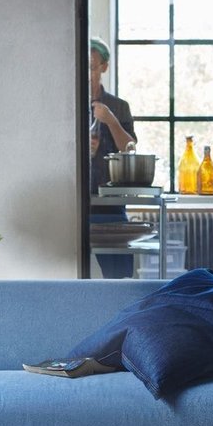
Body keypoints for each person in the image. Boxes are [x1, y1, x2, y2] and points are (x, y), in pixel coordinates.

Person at [87, 38, 137, 278]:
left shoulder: (118, 107)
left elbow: (130, 149)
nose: (87, 73)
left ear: (104, 67)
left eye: (91, 67)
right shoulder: (67, 106)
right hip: (74, 204)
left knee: (119, 275)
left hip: (111, 206)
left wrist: (110, 121)